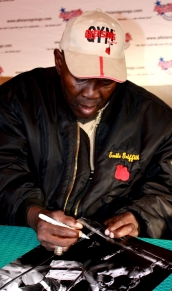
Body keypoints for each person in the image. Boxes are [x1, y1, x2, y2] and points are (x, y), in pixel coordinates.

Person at [0, 9, 172, 256]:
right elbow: (4, 169)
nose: (91, 93)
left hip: (107, 255)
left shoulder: (156, 120)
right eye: (80, 78)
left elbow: (166, 191)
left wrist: (139, 217)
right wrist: (34, 214)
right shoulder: (19, 99)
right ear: (60, 61)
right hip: (21, 240)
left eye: (106, 82)